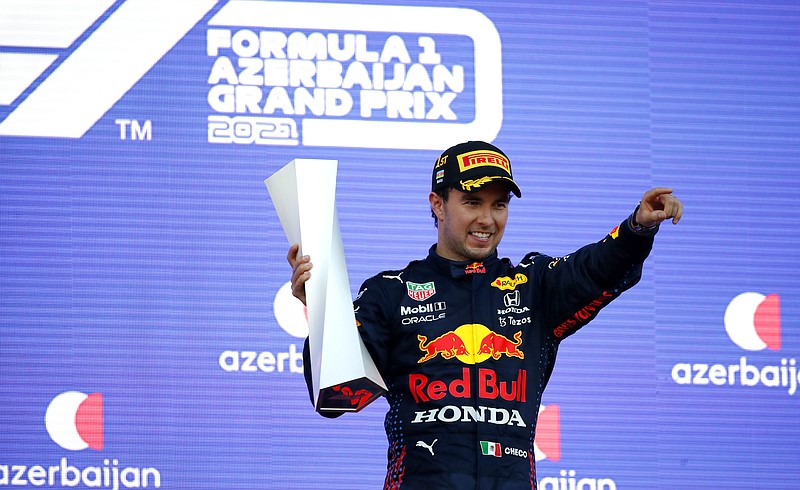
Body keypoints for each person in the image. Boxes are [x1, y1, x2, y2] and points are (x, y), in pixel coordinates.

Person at [287, 141, 683, 490]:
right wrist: (321, 311)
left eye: (499, 204)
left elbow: (595, 268)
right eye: (472, 202)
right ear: (438, 204)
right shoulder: (390, 292)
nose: (487, 219)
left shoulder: (534, 287)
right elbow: (336, 396)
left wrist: (636, 229)